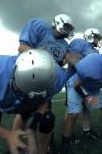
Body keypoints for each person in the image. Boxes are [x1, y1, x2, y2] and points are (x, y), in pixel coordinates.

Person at [0, 49, 67, 154]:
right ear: (14, 73)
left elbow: (45, 100)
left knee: (47, 119)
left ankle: (43, 151)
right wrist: (7, 134)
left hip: (31, 103)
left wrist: (32, 127)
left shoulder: (58, 77)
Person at [16, 14, 75, 153]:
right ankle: (15, 143)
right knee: (24, 112)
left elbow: (59, 64)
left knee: (47, 117)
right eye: (66, 26)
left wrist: (66, 60)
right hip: (29, 75)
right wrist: (42, 57)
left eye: (69, 28)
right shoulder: (39, 26)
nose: (67, 30)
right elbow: (22, 48)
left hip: (46, 81)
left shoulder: (65, 45)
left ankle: (47, 145)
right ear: (58, 23)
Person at [65, 28, 102, 142]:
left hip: (87, 83)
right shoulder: (80, 43)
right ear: (90, 36)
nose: (98, 40)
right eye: (97, 37)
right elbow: (71, 58)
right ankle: (68, 135)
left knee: (87, 108)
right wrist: (85, 61)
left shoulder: (96, 51)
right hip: (74, 80)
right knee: (72, 110)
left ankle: (87, 130)